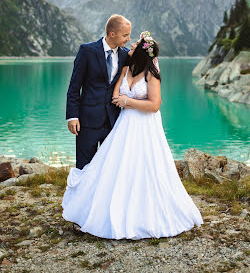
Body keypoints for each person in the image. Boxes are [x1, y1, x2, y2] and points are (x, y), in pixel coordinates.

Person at [62, 31, 204, 240]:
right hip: (124, 125)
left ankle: (143, 214)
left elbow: (154, 105)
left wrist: (128, 102)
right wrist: (119, 99)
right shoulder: (127, 67)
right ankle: (105, 208)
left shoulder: (151, 74)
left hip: (145, 126)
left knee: (144, 167)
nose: (131, 44)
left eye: (136, 43)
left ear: (142, 52)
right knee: (116, 166)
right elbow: (116, 92)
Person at [65, 14, 131, 234]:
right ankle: (79, 216)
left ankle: (104, 214)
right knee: (84, 167)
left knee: (110, 168)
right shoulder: (87, 51)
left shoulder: (125, 55)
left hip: (114, 122)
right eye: (125, 35)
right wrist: (72, 116)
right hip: (87, 121)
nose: (127, 39)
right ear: (111, 33)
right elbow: (75, 87)